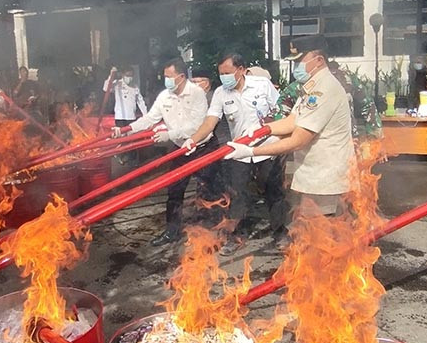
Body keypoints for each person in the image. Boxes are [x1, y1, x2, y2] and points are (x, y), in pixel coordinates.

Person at [226, 34, 355, 228]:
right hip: (316, 173)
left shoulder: (324, 90)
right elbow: (293, 120)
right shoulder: (312, 86)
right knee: (313, 229)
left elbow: (298, 140)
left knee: (322, 231)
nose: (296, 66)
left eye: (299, 61)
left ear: (319, 60)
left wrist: (252, 151)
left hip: (326, 174)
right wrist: (264, 129)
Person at [186, 53, 286, 254]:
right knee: (237, 194)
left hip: (267, 148)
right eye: (221, 74)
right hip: (240, 152)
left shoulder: (262, 85)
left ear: (241, 69)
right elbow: (211, 121)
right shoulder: (221, 93)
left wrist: (267, 126)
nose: (224, 77)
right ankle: (237, 235)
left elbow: (281, 110)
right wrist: (194, 139)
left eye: (228, 73)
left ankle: (280, 233)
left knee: (273, 192)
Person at [115, 57, 217, 246]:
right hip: (180, 150)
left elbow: (197, 126)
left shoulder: (197, 94)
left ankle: (213, 232)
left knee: (210, 190)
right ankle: (172, 231)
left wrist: (169, 135)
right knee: (174, 190)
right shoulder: (164, 96)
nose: (166, 80)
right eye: (165, 77)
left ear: (181, 76)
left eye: (169, 76)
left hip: (203, 147)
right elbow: (149, 119)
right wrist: (125, 130)